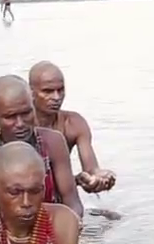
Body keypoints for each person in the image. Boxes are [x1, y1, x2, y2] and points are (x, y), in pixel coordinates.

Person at [0, 75, 84, 218]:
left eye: (26, 113)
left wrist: (71, 226)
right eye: (10, 117)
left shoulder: (53, 141)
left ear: (34, 105)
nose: (20, 124)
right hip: (2, 232)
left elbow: (72, 202)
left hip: (51, 226)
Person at [28, 61, 117, 193]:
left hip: (60, 196)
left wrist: (98, 178)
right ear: (31, 92)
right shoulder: (19, 127)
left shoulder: (74, 124)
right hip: (25, 197)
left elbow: (91, 169)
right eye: (48, 91)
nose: (56, 97)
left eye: (60, 90)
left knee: (113, 214)